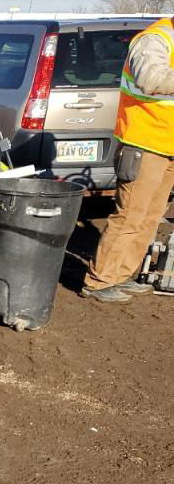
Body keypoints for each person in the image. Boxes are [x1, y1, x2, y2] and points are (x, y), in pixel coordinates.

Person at [82, 16, 174, 302]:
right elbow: (152, 80)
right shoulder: (154, 39)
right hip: (143, 142)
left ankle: (123, 275)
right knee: (130, 214)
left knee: (148, 217)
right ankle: (99, 281)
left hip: (167, 145)